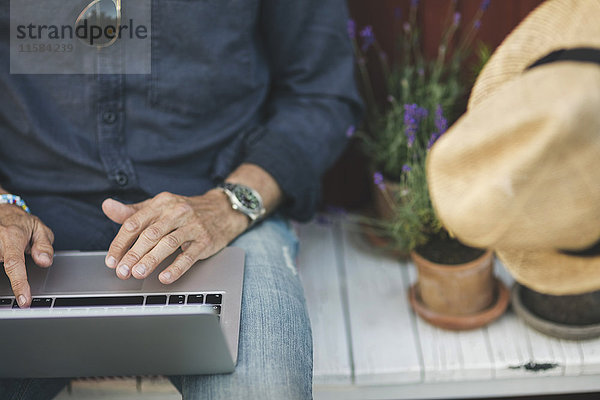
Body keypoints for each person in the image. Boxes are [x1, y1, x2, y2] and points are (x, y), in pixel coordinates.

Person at [0, 0, 362, 398]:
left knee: (264, 390)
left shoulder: (223, 209)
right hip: (28, 222)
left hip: (219, 214)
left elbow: (322, 94)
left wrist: (229, 203)